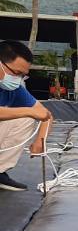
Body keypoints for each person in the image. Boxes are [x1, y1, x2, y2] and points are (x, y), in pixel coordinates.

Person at [0, 41, 52, 191]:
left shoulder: (14, 89)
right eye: (16, 73)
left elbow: (45, 115)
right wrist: (29, 111)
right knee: (27, 114)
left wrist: (41, 141)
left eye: (22, 75)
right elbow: (33, 111)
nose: (18, 79)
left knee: (25, 120)